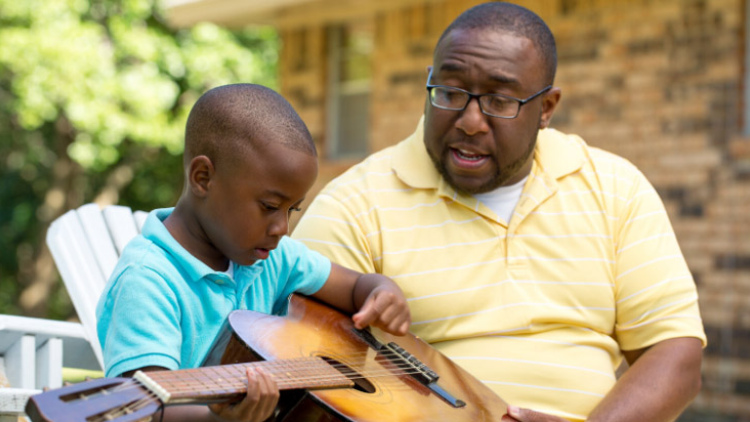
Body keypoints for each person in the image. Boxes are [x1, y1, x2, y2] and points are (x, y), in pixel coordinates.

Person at [291, 3, 706, 422]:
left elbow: (673, 351)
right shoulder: (354, 204)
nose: (470, 121)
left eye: (498, 101)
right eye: (450, 93)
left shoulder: (614, 187)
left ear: (546, 108)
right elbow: (303, 364)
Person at [96, 84, 411, 422]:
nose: (281, 228)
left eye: (292, 210)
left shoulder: (274, 258)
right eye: (270, 206)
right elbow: (143, 410)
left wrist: (380, 290)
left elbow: (352, 288)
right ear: (203, 178)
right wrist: (216, 419)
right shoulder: (148, 281)